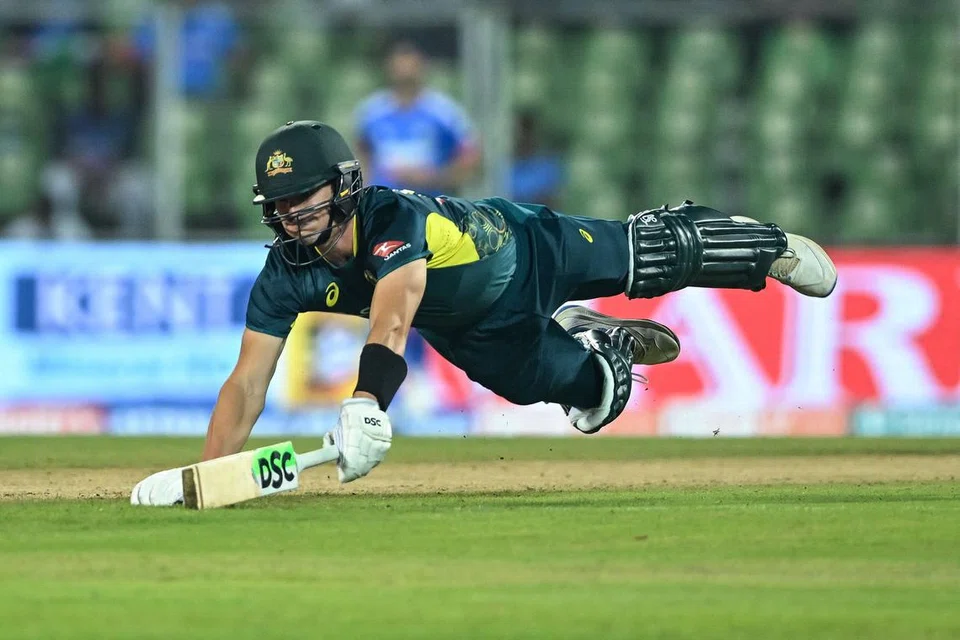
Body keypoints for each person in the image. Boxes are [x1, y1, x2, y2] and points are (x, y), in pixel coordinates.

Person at [130, 121, 837, 505]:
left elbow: (394, 315)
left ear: (343, 185)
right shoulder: (284, 273)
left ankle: (764, 247)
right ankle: (594, 342)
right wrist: (210, 475)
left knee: (650, 255)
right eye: (279, 205)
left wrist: (366, 402)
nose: (291, 216)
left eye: (303, 198)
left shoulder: (391, 217)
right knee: (589, 396)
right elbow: (248, 382)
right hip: (473, 329)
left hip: (528, 247)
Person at [354, 41, 480, 196]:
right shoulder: (371, 111)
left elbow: (470, 155)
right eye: (399, 67)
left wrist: (436, 178)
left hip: (427, 202)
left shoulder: (445, 111)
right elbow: (362, 152)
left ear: (422, 67)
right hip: (382, 202)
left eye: (410, 67)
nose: (405, 72)